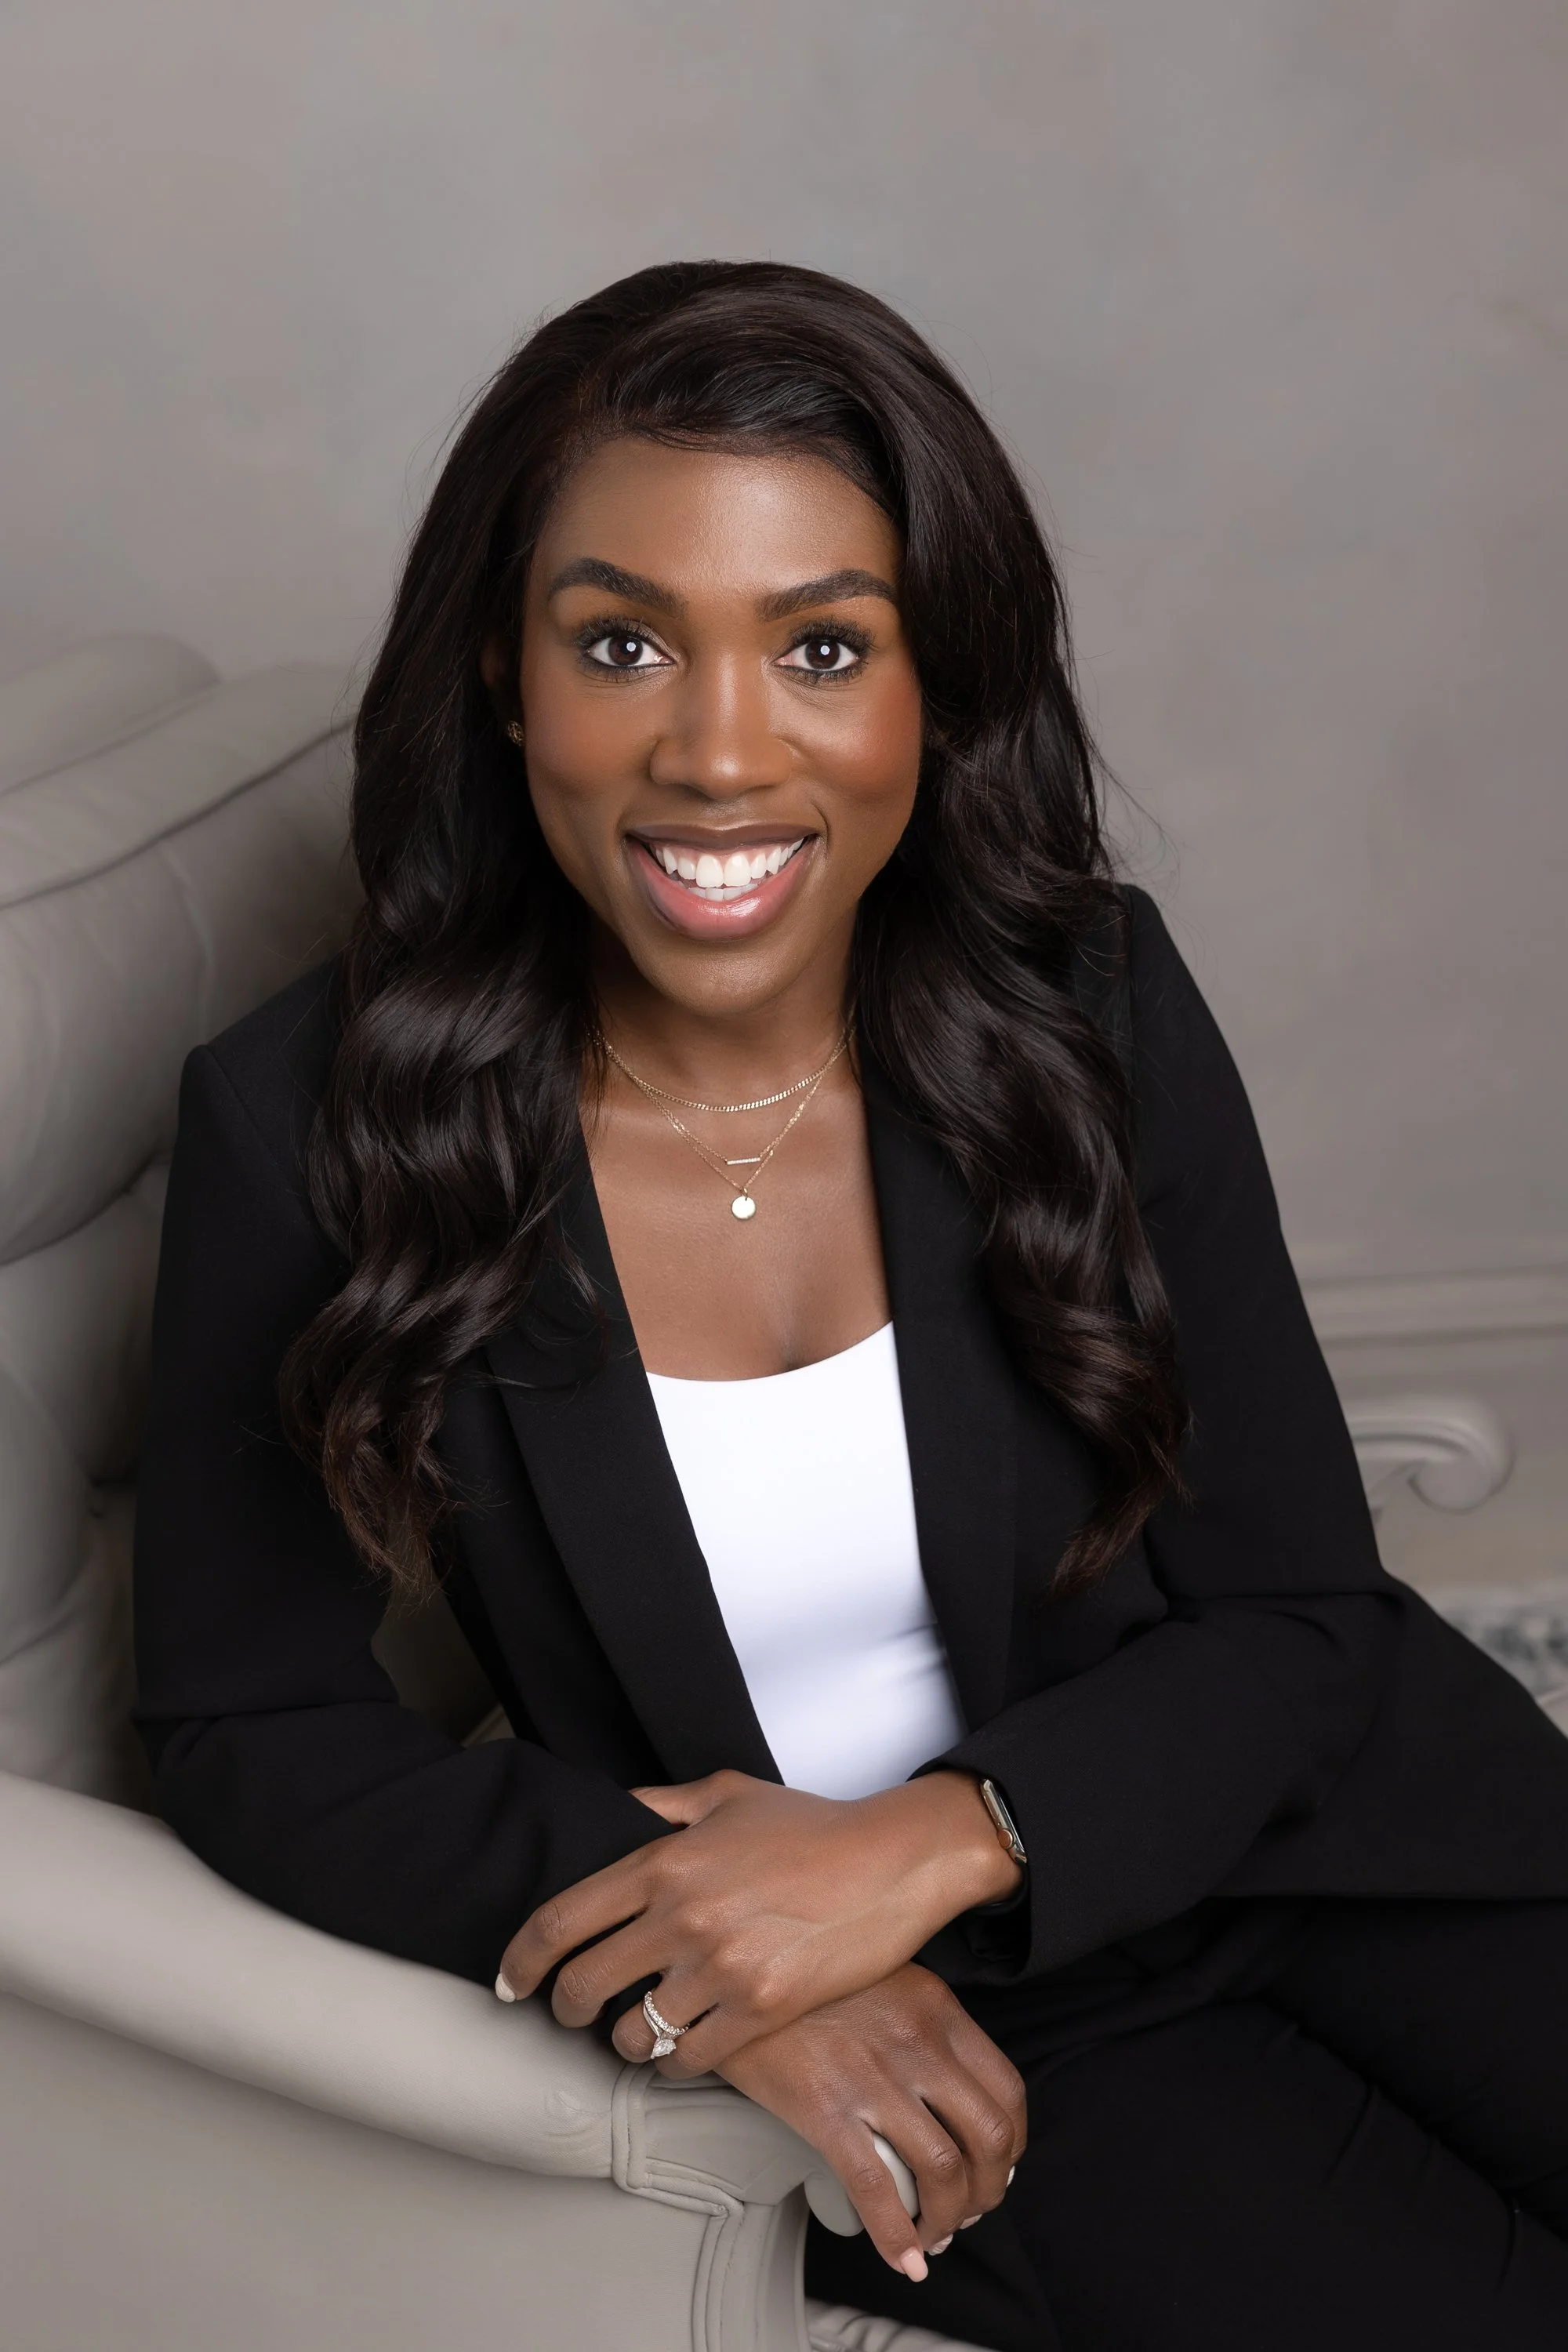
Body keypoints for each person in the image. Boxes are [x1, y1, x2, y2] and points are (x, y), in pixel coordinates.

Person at [133, 261, 1568, 2350]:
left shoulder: (1094, 1006)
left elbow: (1297, 1618)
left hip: (1311, 1827)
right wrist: (707, 1963)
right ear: (500, 676)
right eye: (623, 643)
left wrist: (944, 1832)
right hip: (995, 2047)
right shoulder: (313, 1127)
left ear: (935, 690)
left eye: (821, 648)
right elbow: (247, 1723)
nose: (719, 755)